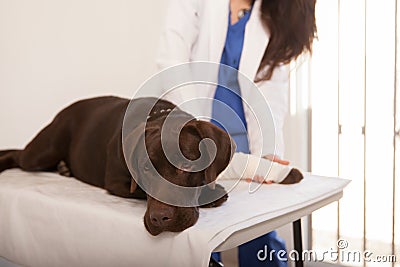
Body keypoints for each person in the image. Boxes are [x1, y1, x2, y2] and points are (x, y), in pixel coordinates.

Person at [156, 0, 317, 266]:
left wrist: (269, 151)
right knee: (200, 235)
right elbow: (172, 61)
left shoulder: (273, 14)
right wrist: (195, 133)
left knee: (260, 233)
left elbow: (271, 93)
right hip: (195, 141)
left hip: (243, 148)